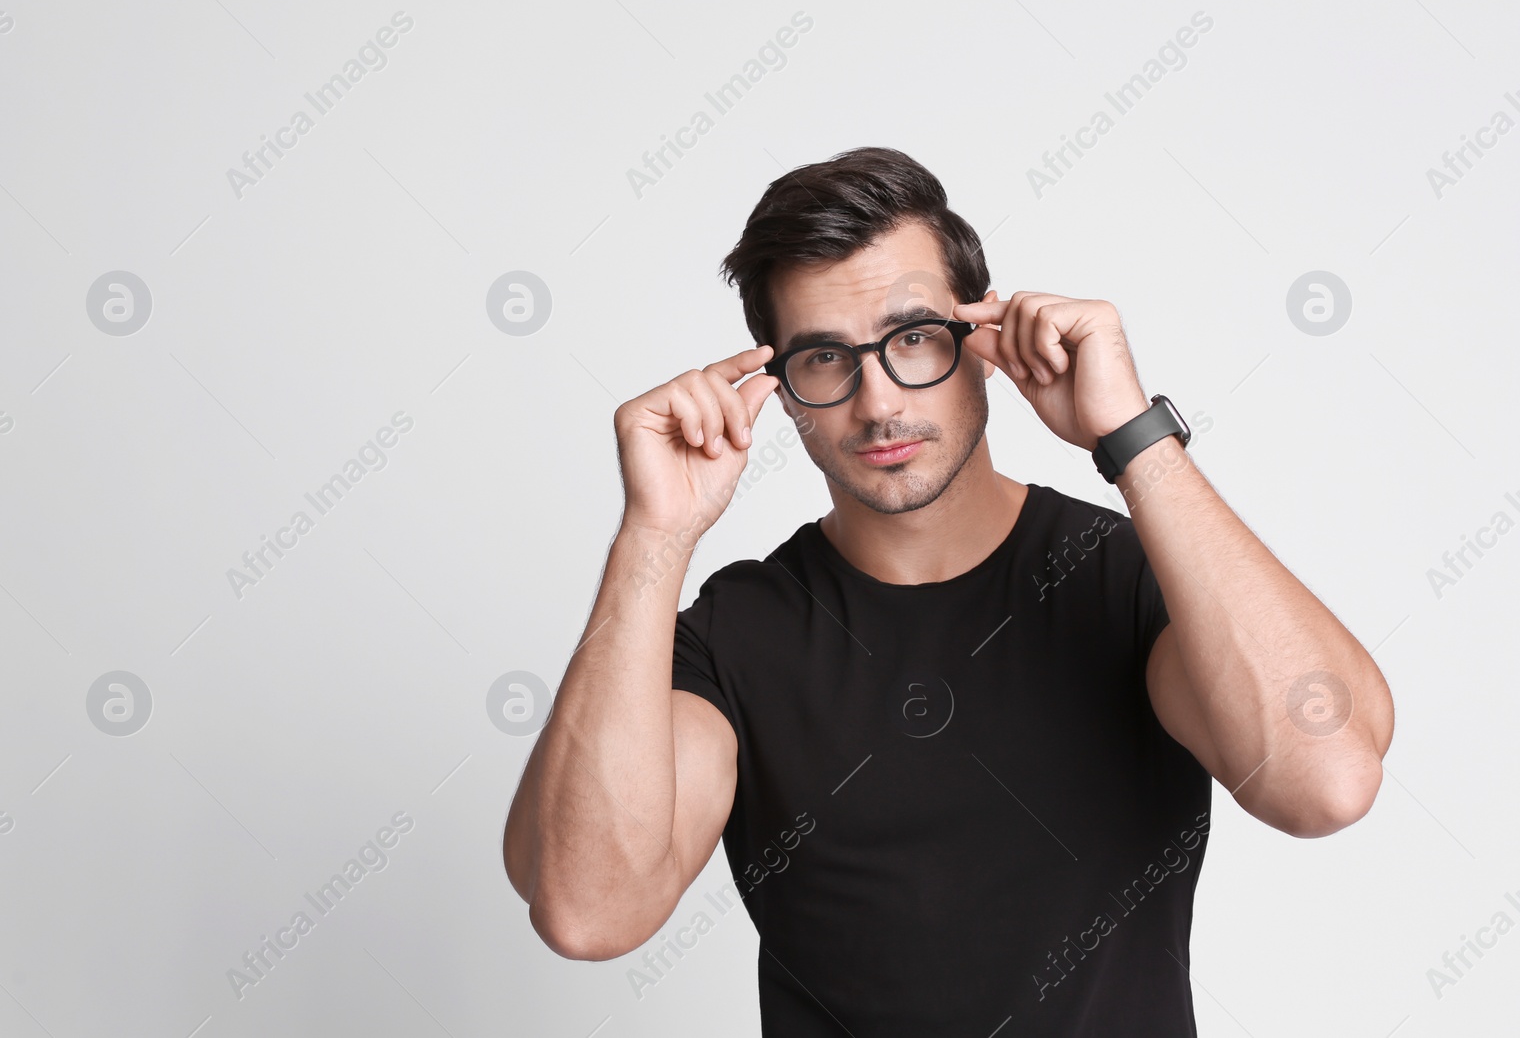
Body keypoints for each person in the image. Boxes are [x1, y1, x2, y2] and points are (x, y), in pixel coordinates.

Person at [502, 146, 1394, 1036]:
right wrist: (653, 535)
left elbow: (1328, 781)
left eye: (914, 338)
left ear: (983, 337)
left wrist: (1134, 437)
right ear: (778, 387)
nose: (879, 400)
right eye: (823, 357)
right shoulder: (735, 635)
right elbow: (588, 911)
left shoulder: (1130, 575)